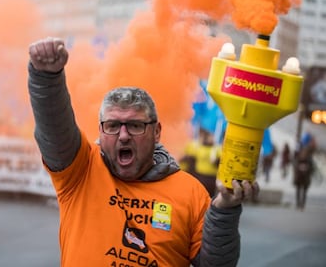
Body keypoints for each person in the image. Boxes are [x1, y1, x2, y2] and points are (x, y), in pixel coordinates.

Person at [28, 37, 259, 266]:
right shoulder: (81, 171)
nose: (124, 135)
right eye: (113, 125)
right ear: (101, 130)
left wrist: (224, 211)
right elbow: (54, 128)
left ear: (156, 132)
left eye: (136, 125)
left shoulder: (191, 193)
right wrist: (46, 78)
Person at [180, 128, 220, 197]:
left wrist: (216, 161)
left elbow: (220, 165)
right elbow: (184, 160)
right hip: (197, 176)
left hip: (211, 179)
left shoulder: (217, 149)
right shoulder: (195, 146)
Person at [293, 132, 316, 211]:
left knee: (302, 190)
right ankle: (299, 204)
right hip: (300, 174)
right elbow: (295, 161)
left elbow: (311, 165)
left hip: (304, 175)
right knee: (300, 189)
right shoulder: (300, 149)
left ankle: (301, 204)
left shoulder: (308, 152)